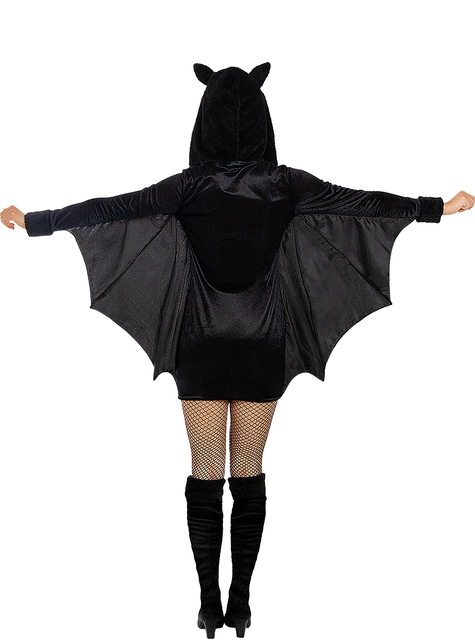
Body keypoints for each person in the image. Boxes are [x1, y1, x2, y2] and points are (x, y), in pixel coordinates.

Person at [1, 63, 474, 639]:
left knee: (205, 471)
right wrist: (436, 208)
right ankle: (241, 604)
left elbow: (111, 209)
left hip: (199, 345)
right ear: (263, 121)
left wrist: (37, 222)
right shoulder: (286, 184)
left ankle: (208, 604)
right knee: (247, 471)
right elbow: (362, 203)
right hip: (261, 344)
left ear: (204, 120)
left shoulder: (187, 186)